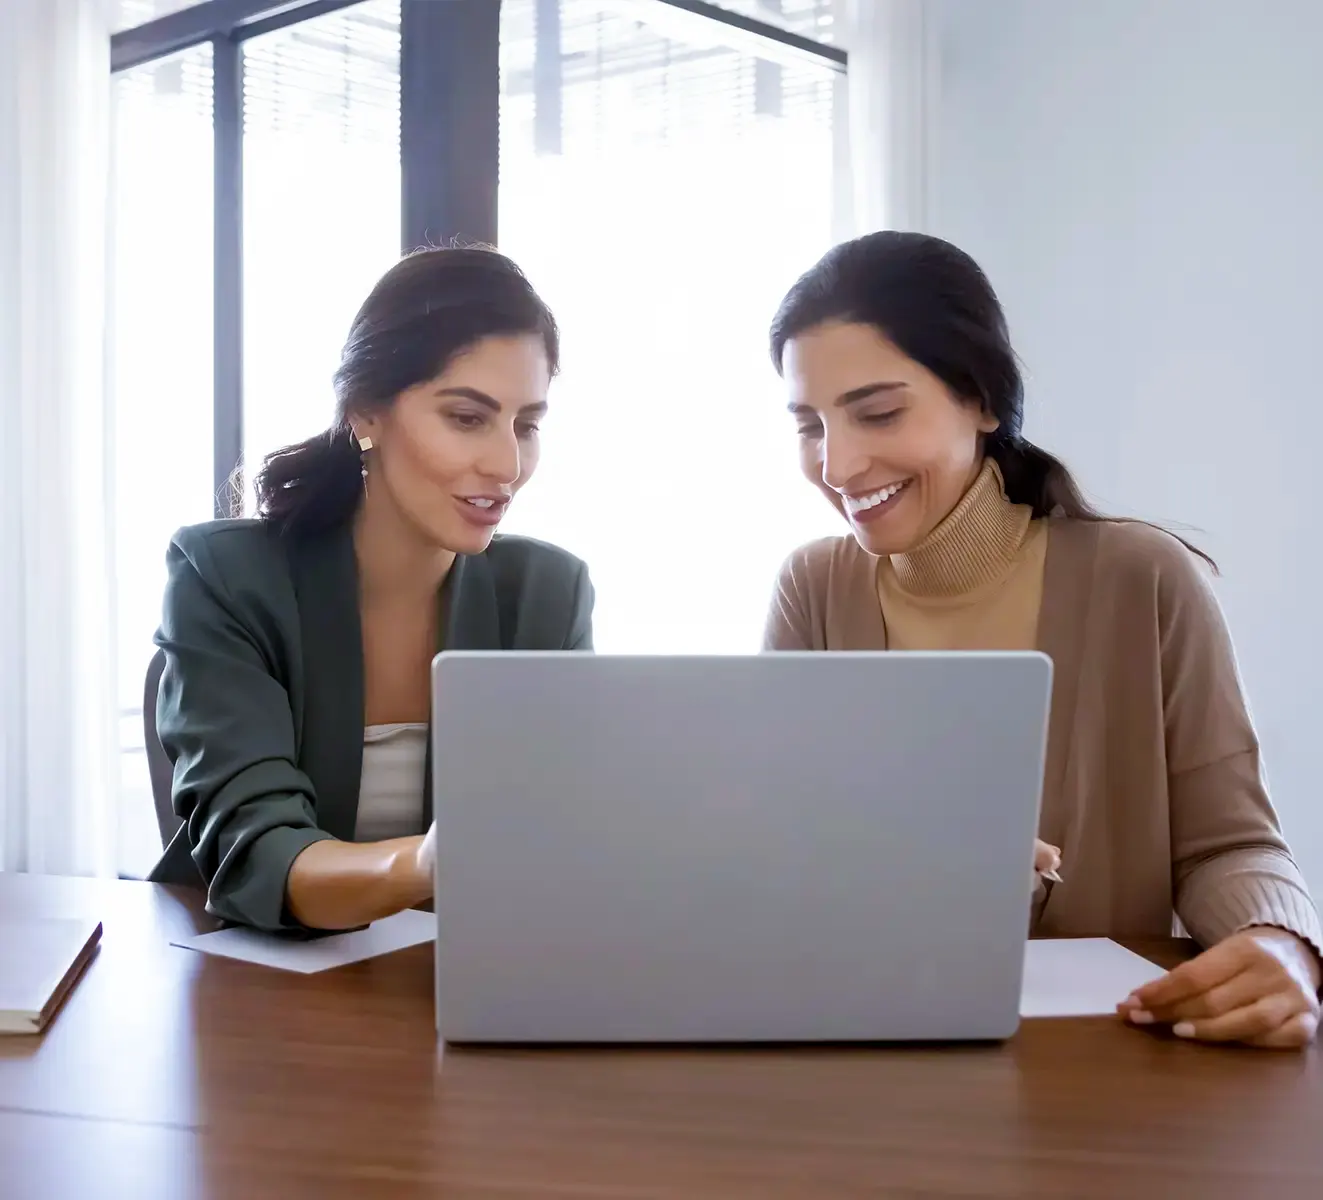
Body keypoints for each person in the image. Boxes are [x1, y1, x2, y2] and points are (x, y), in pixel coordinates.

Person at [762, 230, 1321, 1049]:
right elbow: (783, 855)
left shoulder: (1141, 579)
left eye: (878, 413)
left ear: (982, 399)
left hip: (1114, 1064)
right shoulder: (812, 590)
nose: (838, 464)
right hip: (876, 1052)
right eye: (808, 425)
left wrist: (1281, 945)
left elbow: (1228, 845)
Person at [148, 247, 593, 934]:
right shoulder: (226, 577)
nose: (507, 464)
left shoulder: (549, 594)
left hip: (461, 978)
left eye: (526, 425)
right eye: (466, 417)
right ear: (365, 413)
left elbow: (560, 845)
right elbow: (256, 851)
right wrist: (427, 866)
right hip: (253, 985)